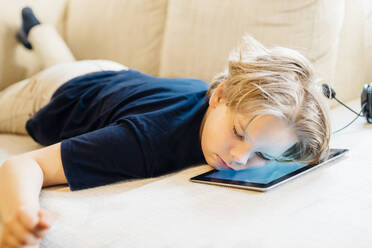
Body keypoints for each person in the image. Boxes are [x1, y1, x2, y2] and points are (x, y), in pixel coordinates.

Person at [0, 7, 330, 248]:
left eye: (262, 153)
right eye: (240, 133)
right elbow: (24, 164)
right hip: (56, 91)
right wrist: (21, 215)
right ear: (220, 95)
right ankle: (37, 32)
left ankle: (36, 29)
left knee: (64, 60)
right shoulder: (145, 141)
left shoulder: (225, 104)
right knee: (57, 72)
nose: (241, 158)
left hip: (116, 74)